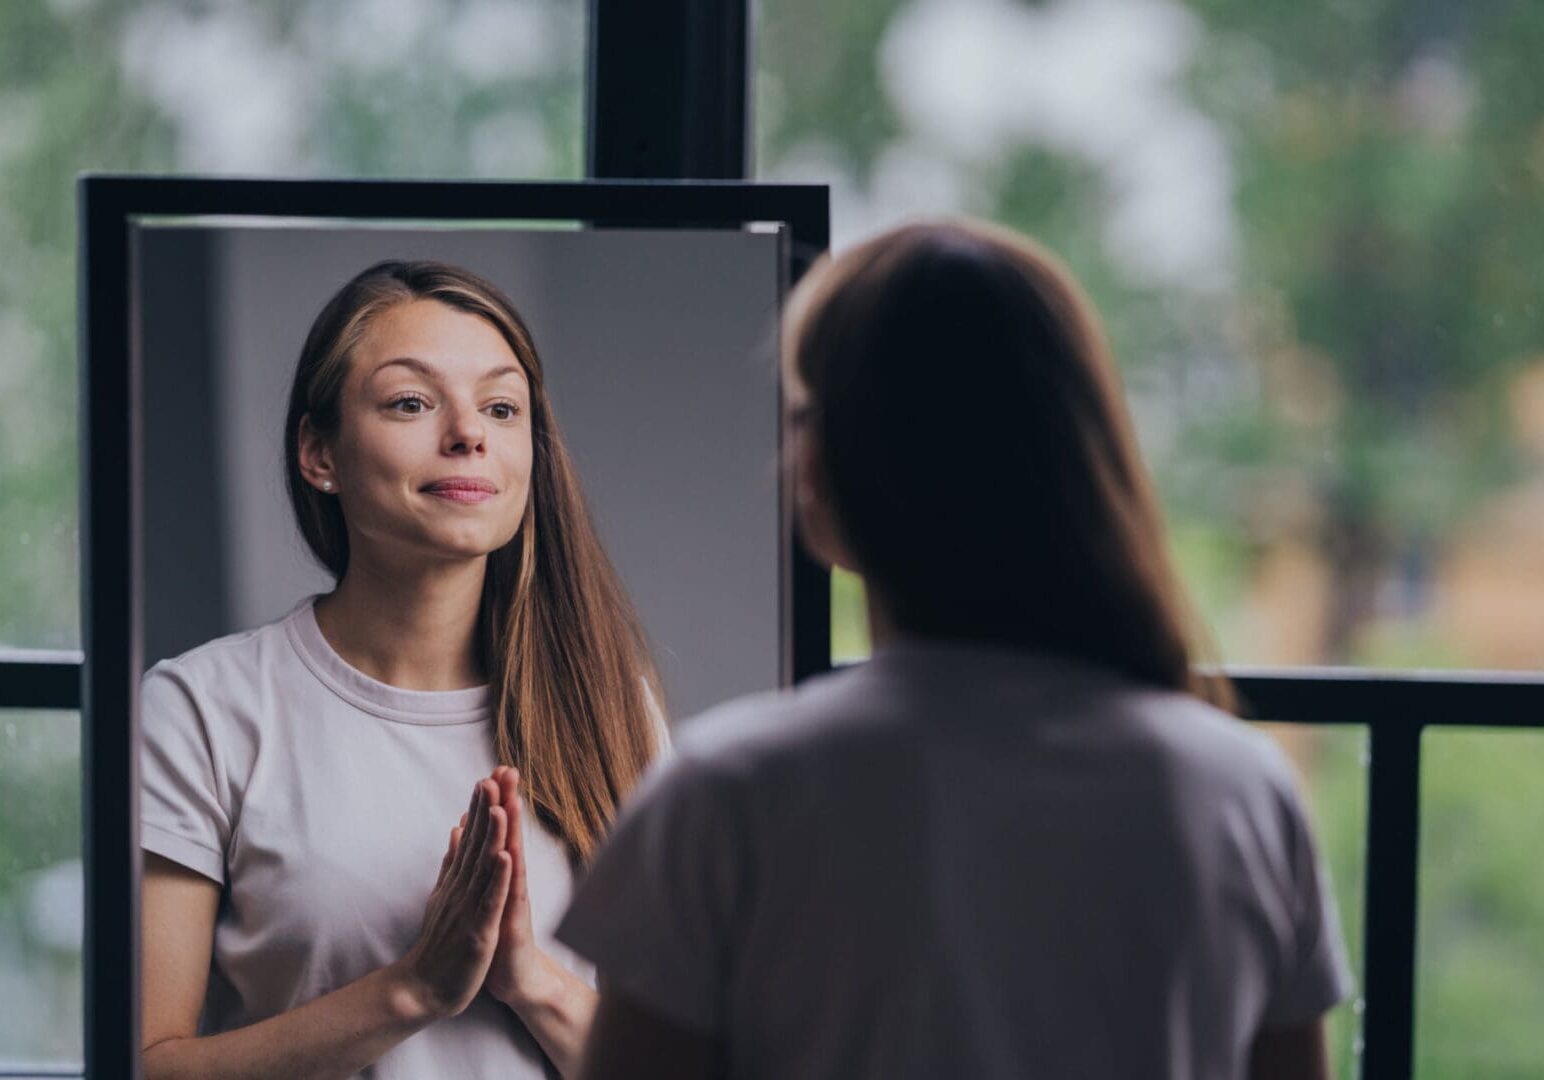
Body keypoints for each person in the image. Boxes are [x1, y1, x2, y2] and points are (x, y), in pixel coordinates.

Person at [556, 218, 1356, 1080]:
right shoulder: (1242, 793)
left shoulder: (727, 798)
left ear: (822, 466)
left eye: (797, 416)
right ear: (1082, 452)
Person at [139, 259, 667, 1079]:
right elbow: (147, 1065)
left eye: (500, 407)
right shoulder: (200, 709)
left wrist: (528, 979)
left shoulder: (613, 709)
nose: (469, 433)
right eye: (412, 403)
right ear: (320, 453)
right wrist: (413, 989)